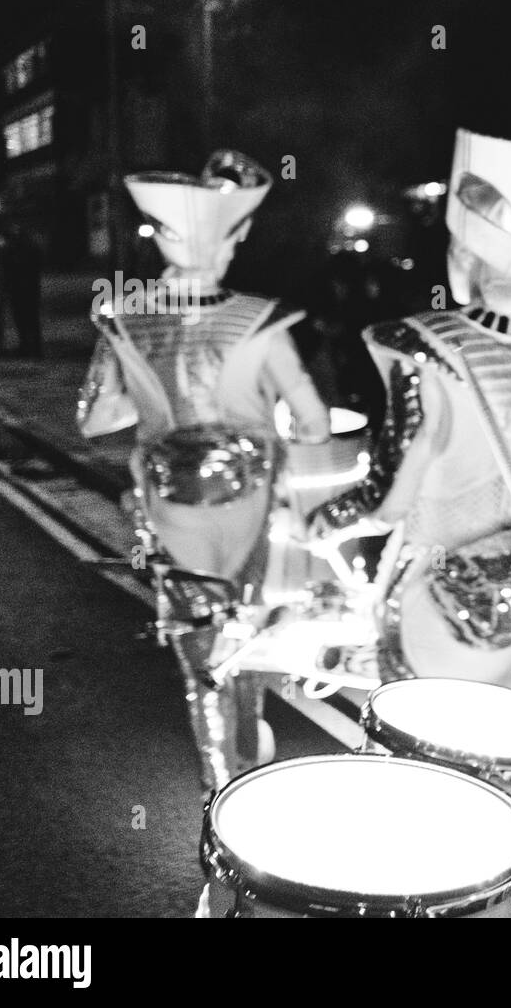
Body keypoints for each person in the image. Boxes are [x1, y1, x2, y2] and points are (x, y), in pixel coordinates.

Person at [308, 128, 511, 704]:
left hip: (436, 604)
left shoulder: (422, 344)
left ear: (464, 252)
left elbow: (388, 502)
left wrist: (324, 521)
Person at [77, 150, 330, 796]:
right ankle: (247, 772)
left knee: (203, 666)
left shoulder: (124, 319)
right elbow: (313, 421)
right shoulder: (261, 320)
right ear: (236, 235)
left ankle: (223, 787)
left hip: (171, 513)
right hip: (253, 514)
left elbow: (93, 418)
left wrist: (165, 387)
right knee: (250, 646)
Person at [3, 225, 43, 358]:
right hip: (30, 290)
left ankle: (27, 347)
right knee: (31, 320)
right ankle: (35, 348)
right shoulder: (32, 249)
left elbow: (9, 270)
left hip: (19, 290)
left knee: (22, 320)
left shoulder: (14, 251)